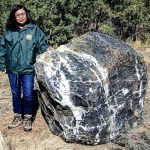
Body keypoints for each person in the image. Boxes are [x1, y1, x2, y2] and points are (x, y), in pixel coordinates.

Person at [0, 5, 53, 132]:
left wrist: (47, 49)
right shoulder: (9, 30)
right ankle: (17, 116)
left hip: (28, 69)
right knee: (15, 93)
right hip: (12, 69)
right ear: (14, 17)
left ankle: (28, 118)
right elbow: (2, 48)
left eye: (23, 14)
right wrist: (2, 65)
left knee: (28, 94)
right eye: (18, 15)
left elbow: (42, 45)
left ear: (26, 14)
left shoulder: (34, 30)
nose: (21, 17)